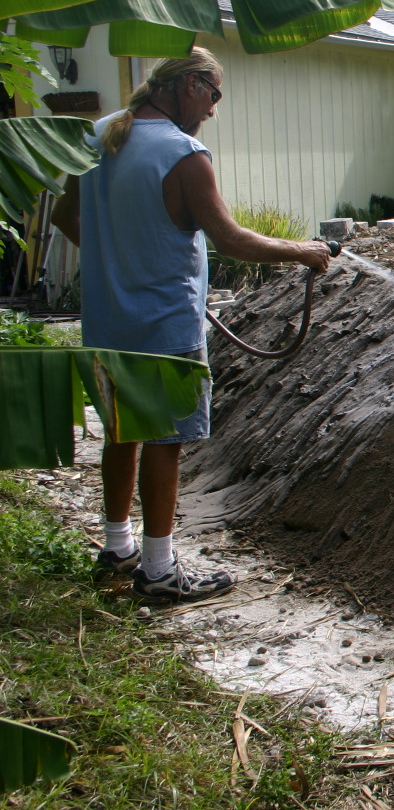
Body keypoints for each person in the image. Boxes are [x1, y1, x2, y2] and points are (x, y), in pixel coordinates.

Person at [52, 48, 333, 603]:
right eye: (214, 95)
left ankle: (117, 548)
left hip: (106, 320)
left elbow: (64, 216)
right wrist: (302, 250)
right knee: (166, 439)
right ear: (190, 86)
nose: (212, 110)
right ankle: (158, 570)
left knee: (121, 430)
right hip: (164, 325)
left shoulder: (98, 135)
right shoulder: (183, 154)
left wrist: (117, 261)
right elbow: (230, 238)